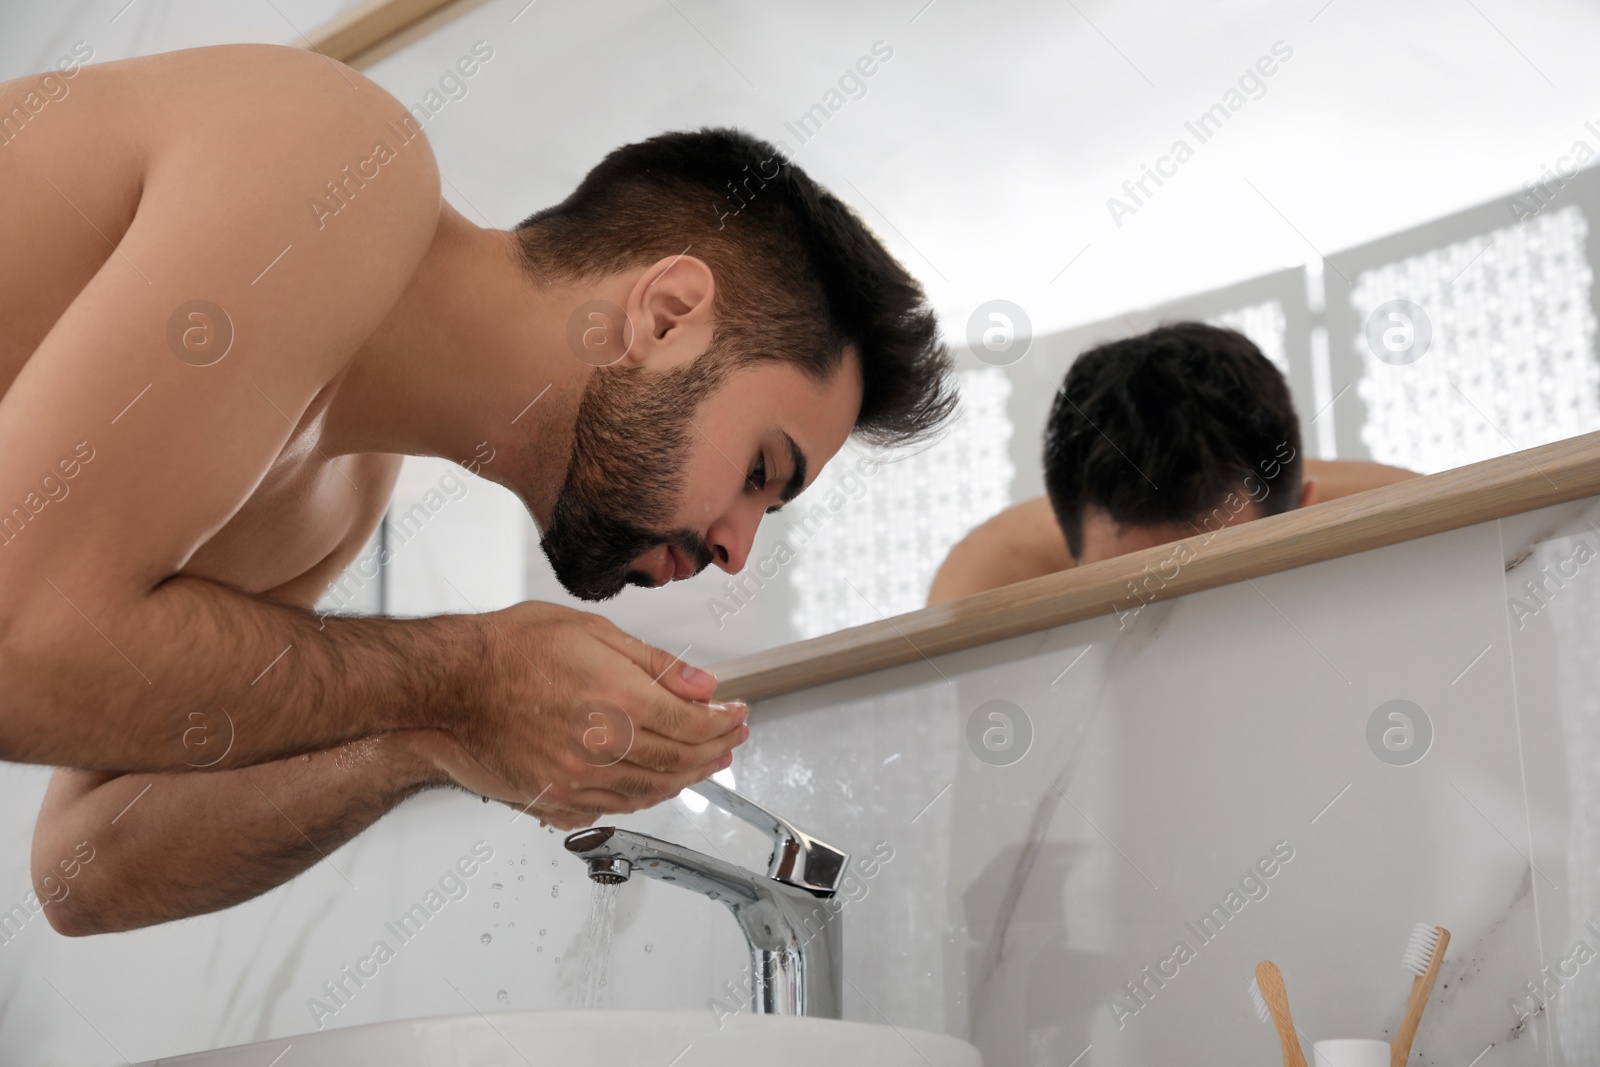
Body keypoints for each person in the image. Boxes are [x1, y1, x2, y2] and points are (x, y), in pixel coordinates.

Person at [1, 44, 956, 933]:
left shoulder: (330, 501)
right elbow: (17, 648)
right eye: (760, 471)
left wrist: (428, 735)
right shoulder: (342, 158)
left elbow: (83, 865)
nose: (737, 549)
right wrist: (465, 672)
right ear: (666, 317)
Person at [928, 323, 1415, 603]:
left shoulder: (1425, 538)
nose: (1174, 623)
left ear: (1306, 513)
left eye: (1222, 579)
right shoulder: (985, 588)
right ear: (1067, 547)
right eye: (1129, 592)